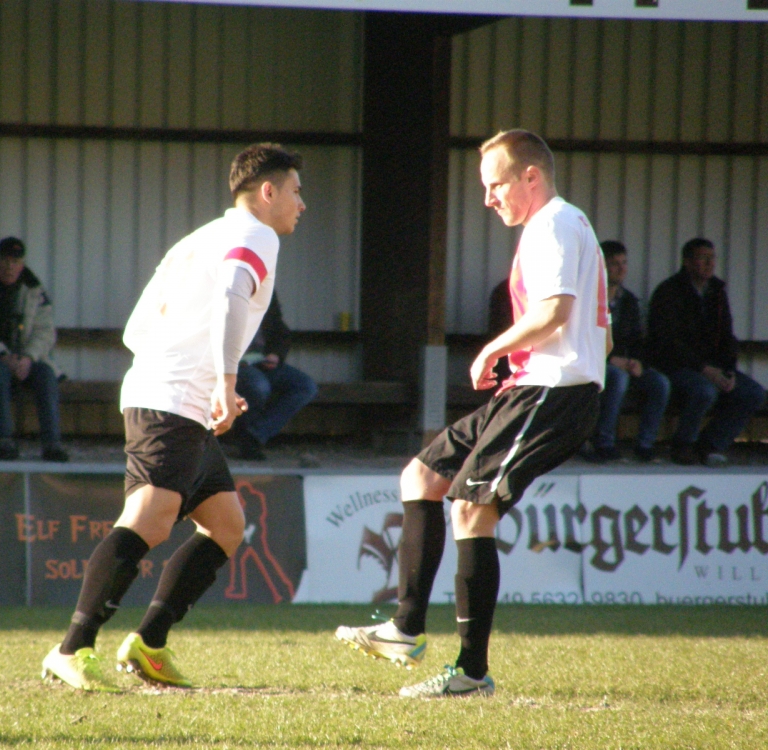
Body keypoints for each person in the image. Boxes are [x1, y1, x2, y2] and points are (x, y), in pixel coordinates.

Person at [335, 130, 609, 698]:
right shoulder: (568, 224)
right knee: (421, 477)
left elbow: (556, 311)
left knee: (470, 509)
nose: (488, 199)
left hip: (552, 390)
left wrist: (492, 350)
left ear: (530, 177)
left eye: (495, 185)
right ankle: (405, 629)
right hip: (534, 387)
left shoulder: (554, 224)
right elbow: (600, 335)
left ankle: (470, 672)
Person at [40, 143, 305, 691]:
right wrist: (223, 382)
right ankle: (71, 648)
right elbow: (232, 296)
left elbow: (136, 328)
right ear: (268, 191)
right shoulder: (257, 235)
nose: (302, 204)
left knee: (227, 525)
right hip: (174, 399)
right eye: (297, 191)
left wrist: (199, 379)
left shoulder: (198, 238)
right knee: (149, 518)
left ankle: (148, 644)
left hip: (172, 394)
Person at [647, 238, 765, 467]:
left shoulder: (717, 292)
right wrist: (704, 369)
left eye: (713, 258)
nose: (710, 264)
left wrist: (728, 370)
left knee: (753, 393)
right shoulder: (669, 291)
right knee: (704, 391)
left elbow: (727, 336)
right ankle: (683, 444)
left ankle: (711, 445)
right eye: (703, 258)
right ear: (687, 261)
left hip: (714, 367)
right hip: (677, 366)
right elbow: (668, 342)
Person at [0, 238, 68, 462]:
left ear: (22, 264)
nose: (10, 266)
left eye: (15, 261)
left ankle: (52, 443)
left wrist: (28, 357)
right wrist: (3, 355)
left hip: (26, 359)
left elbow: (45, 332)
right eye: (5, 260)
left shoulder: (35, 290)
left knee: (46, 375)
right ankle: (4, 440)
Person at [588, 240, 671, 463]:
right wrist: (610, 359)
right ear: (601, 265)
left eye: (624, 263)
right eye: (614, 263)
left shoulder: (629, 301)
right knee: (618, 378)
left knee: (659, 383)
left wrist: (638, 361)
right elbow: (581, 338)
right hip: (594, 364)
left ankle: (645, 445)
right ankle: (604, 443)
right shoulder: (587, 298)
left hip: (625, 363)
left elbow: (638, 339)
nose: (621, 268)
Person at [226, 291, 317, 460]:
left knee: (305, 386)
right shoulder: (222, 291)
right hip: (232, 364)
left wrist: (276, 354)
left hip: (261, 360)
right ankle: (245, 440)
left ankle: (255, 434)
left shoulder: (265, 290)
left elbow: (280, 330)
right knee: (259, 386)